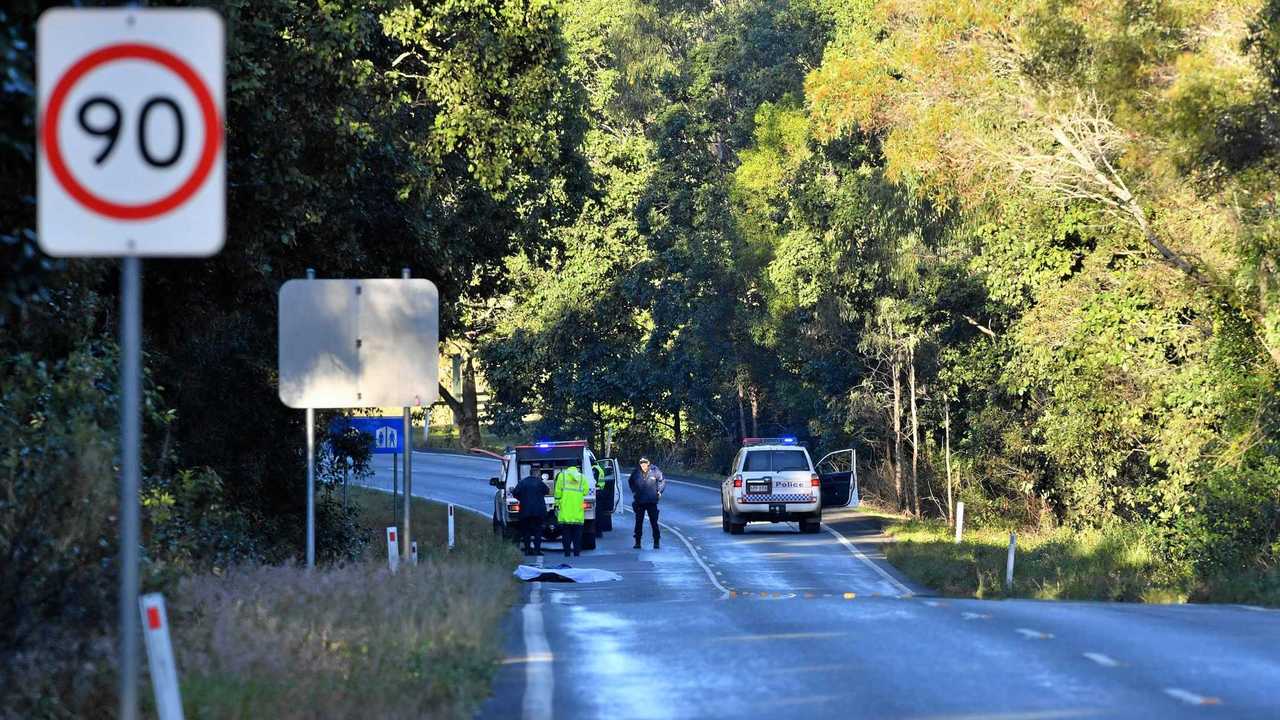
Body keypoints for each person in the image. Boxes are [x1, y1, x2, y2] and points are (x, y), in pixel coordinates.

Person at [628, 456, 665, 549]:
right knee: (638, 522)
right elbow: (630, 481)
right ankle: (637, 542)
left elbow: (662, 481)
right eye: (641, 462)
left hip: (651, 501)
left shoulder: (655, 471)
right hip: (639, 501)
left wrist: (659, 491)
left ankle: (656, 541)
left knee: (654, 522)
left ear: (648, 463)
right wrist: (634, 490)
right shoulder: (636, 472)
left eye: (645, 462)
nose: (643, 464)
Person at [554, 464, 588, 557]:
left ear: (567, 467)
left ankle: (567, 553)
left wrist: (557, 503)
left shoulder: (562, 476)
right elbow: (586, 491)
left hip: (565, 512)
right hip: (578, 513)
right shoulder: (582, 477)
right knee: (577, 536)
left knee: (566, 535)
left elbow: (557, 492)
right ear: (576, 468)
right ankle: (576, 553)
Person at [513, 471, 549, 556]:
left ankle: (527, 550)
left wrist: (522, 498)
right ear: (537, 474)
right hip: (538, 511)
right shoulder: (540, 483)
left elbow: (515, 493)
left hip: (525, 511)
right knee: (538, 532)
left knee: (526, 532)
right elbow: (547, 491)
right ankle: (537, 550)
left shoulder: (522, 482)